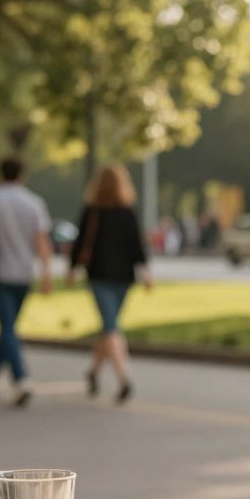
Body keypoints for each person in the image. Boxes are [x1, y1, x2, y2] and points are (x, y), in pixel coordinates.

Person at [0, 157, 53, 407]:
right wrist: (46, 274)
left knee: (8, 329)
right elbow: (42, 241)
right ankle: (20, 377)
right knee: (9, 328)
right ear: (21, 176)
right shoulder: (33, 203)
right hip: (24, 274)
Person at [66, 164, 152, 403]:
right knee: (112, 327)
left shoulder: (100, 211)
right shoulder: (117, 212)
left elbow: (80, 244)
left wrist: (72, 269)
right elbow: (137, 247)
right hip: (112, 278)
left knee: (109, 328)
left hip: (106, 276)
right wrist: (145, 271)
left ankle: (93, 372)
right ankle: (124, 378)